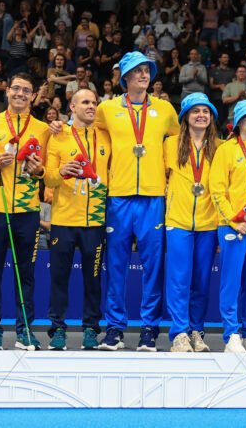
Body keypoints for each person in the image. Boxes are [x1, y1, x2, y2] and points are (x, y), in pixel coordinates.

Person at [95, 51, 179, 351]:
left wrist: (169, 175)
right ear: (125, 77)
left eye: (147, 70)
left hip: (153, 197)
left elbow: (178, 140)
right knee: (115, 265)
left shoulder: (165, 109)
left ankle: (148, 329)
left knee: (152, 267)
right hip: (119, 195)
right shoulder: (107, 109)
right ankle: (115, 328)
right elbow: (93, 137)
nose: (144, 75)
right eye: (137, 70)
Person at [0, 73, 51, 350]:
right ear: (7, 91)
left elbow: (48, 169)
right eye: (15, 88)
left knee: (26, 273)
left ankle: (25, 330)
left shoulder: (43, 129)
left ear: (33, 96)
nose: (20, 93)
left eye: (26, 90)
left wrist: (39, 171)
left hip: (28, 211)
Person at [43, 89, 111, 351]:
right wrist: (61, 171)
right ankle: (57, 329)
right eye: (85, 102)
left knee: (93, 280)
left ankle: (91, 329)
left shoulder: (105, 135)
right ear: (72, 107)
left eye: (94, 102)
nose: (91, 106)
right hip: (63, 219)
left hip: (95, 221)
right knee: (59, 278)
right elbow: (48, 178)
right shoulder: (58, 135)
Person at [208, 99, 246, 353]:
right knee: (231, 282)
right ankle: (231, 335)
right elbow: (216, 190)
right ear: (238, 122)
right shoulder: (226, 150)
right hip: (233, 226)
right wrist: (235, 222)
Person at [164, 93, 220, 353]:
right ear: (185, 116)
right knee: (179, 280)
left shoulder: (219, 147)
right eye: (195, 111)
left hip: (208, 223)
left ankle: (196, 331)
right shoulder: (170, 144)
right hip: (178, 221)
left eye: (205, 111)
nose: (201, 115)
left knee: (201, 281)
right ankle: (179, 332)